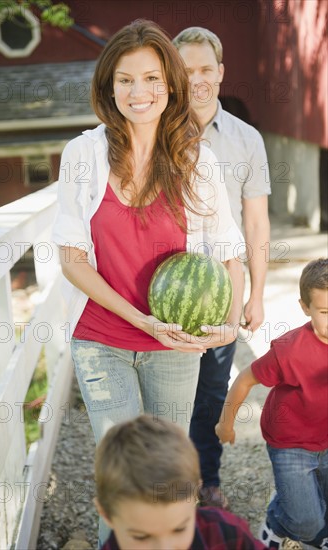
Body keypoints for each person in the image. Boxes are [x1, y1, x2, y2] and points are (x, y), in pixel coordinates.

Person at [52, 19, 245, 545]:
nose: (139, 92)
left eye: (152, 79)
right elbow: (71, 259)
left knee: (168, 472)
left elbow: (230, 250)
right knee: (121, 475)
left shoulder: (195, 160)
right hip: (103, 337)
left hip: (177, 343)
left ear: (170, 86)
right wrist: (140, 318)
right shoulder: (83, 157)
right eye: (125, 80)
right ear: (109, 87)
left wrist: (229, 326)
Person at [173, 27, 271, 509]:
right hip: (163, 283)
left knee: (212, 389)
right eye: (186, 70)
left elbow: (256, 220)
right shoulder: (155, 134)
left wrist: (255, 294)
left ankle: (206, 480)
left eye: (205, 69)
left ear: (221, 72)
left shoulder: (246, 139)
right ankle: (169, 482)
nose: (197, 80)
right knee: (168, 388)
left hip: (223, 288)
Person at [215, 258, 328, 550]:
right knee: (308, 523)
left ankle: (289, 513)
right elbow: (244, 381)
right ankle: (286, 522)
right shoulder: (289, 351)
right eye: (325, 311)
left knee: (321, 506)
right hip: (291, 445)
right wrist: (225, 424)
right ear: (305, 307)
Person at [95, 414, 267, 549]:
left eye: (179, 529)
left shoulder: (226, 532)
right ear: (106, 514)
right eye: (141, 537)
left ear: (195, 496)